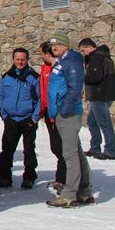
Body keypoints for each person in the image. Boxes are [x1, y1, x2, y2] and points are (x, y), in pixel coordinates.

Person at [46, 33, 94, 208]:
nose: (54, 47)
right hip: (64, 113)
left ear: (66, 45)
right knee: (76, 152)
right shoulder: (64, 60)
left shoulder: (71, 61)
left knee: (70, 154)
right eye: (52, 45)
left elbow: (75, 88)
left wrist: (63, 110)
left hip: (68, 114)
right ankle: (84, 191)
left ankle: (69, 195)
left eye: (58, 44)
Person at [0, 48, 40, 190]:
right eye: (17, 59)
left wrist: (34, 117)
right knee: (7, 149)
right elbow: (0, 95)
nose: (20, 62)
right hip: (11, 119)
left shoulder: (33, 77)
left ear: (27, 60)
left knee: (29, 150)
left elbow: (41, 98)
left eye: (23, 60)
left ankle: (29, 177)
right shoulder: (6, 77)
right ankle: (5, 177)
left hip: (27, 119)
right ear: (13, 59)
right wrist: (4, 115)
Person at [79, 39, 115, 160]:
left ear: (90, 47)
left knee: (105, 124)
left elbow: (96, 77)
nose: (83, 53)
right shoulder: (104, 56)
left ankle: (109, 151)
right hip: (104, 94)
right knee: (92, 121)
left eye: (83, 50)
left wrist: (81, 77)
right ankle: (95, 148)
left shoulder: (96, 57)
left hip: (99, 96)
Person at [38, 41, 66, 192]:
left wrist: (54, 113)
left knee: (61, 148)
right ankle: (61, 178)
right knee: (56, 147)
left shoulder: (57, 69)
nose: (40, 56)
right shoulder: (46, 69)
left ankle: (64, 180)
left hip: (56, 113)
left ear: (47, 53)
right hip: (49, 112)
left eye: (41, 53)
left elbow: (55, 93)